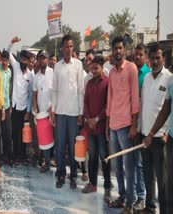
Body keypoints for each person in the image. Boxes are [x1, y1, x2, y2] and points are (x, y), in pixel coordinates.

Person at [106, 36, 139, 213]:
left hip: (126, 125)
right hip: (113, 125)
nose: (118, 51)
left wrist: (134, 125)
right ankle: (121, 196)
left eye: (120, 48)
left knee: (129, 166)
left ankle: (130, 204)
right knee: (117, 165)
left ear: (124, 50)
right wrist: (108, 124)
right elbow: (110, 99)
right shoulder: (111, 72)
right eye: (115, 48)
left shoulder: (131, 68)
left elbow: (135, 98)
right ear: (112, 51)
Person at [51, 34, 85, 189]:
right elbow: (55, 90)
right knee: (59, 146)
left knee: (72, 147)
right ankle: (61, 174)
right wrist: (53, 111)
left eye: (71, 46)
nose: (69, 49)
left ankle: (73, 176)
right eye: (66, 46)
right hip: (60, 112)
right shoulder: (57, 66)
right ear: (62, 48)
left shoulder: (78, 65)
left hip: (73, 113)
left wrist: (80, 112)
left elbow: (80, 90)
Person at [141, 45, 171, 214]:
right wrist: (141, 131)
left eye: (157, 58)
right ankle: (150, 207)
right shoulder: (146, 78)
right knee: (148, 175)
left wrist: (166, 133)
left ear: (163, 59)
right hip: (145, 136)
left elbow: (169, 110)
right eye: (152, 58)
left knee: (163, 179)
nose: (154, 61)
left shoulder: (169, 78)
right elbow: (144, 104)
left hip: (160, 137)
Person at [81, 56, 111, 203]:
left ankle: (107, 188)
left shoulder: (107, 83)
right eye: (92, 68)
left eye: (96, 68)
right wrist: (88, 118)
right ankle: (92, 184)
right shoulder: (89, 83)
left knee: (104, 158)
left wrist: (97, 119)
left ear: (101, 68)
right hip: (90, 128)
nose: (93, 70)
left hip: (101, 127)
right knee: (92, 157)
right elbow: (85, 102)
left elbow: (108, 106)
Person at [7, 37, 33, 163]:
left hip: (24, 109)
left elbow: (30, 95)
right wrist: (12, 42)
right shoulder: (16, 66)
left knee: (24, 133)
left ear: (28, 62)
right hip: (15, 107)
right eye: (22, 59)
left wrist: (28, 111)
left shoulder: (30, 75)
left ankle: (23, 155)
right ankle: (15, 155)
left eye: (25, 60)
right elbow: (7, 52)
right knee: (15, 133)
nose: (23, 61)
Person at [132, 43, 150, 211]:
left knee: (140, 164)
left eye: (140, 55)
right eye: (135, 54)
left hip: (143, 125)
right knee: (130, 163)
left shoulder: (148, 75)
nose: (137, 57)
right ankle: (132, 195)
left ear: (146, 57)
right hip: (131, 124)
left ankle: (142, 197)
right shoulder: (131, 71)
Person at [32, 50, 53, 173]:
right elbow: (34, 95)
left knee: (54, 137)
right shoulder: (36, 77)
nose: (42, 60)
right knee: (44, 138)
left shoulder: (53, 73)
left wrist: (53, 108)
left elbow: (56, 92)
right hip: (41, 114)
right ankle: (47, 163)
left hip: (53, 112)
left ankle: (53, 160)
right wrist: (35, 108)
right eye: (40, 58)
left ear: (48, 59)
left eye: (44, 58)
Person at [0, 51, 12, 166]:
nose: (4, 62)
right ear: (0, 60)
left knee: (7, 132)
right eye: (3, 60)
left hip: (6, 106)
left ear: (8, 61)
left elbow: (8, 88)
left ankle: (8, 156)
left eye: (6, 61)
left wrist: (9, 105)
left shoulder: (10, 72)